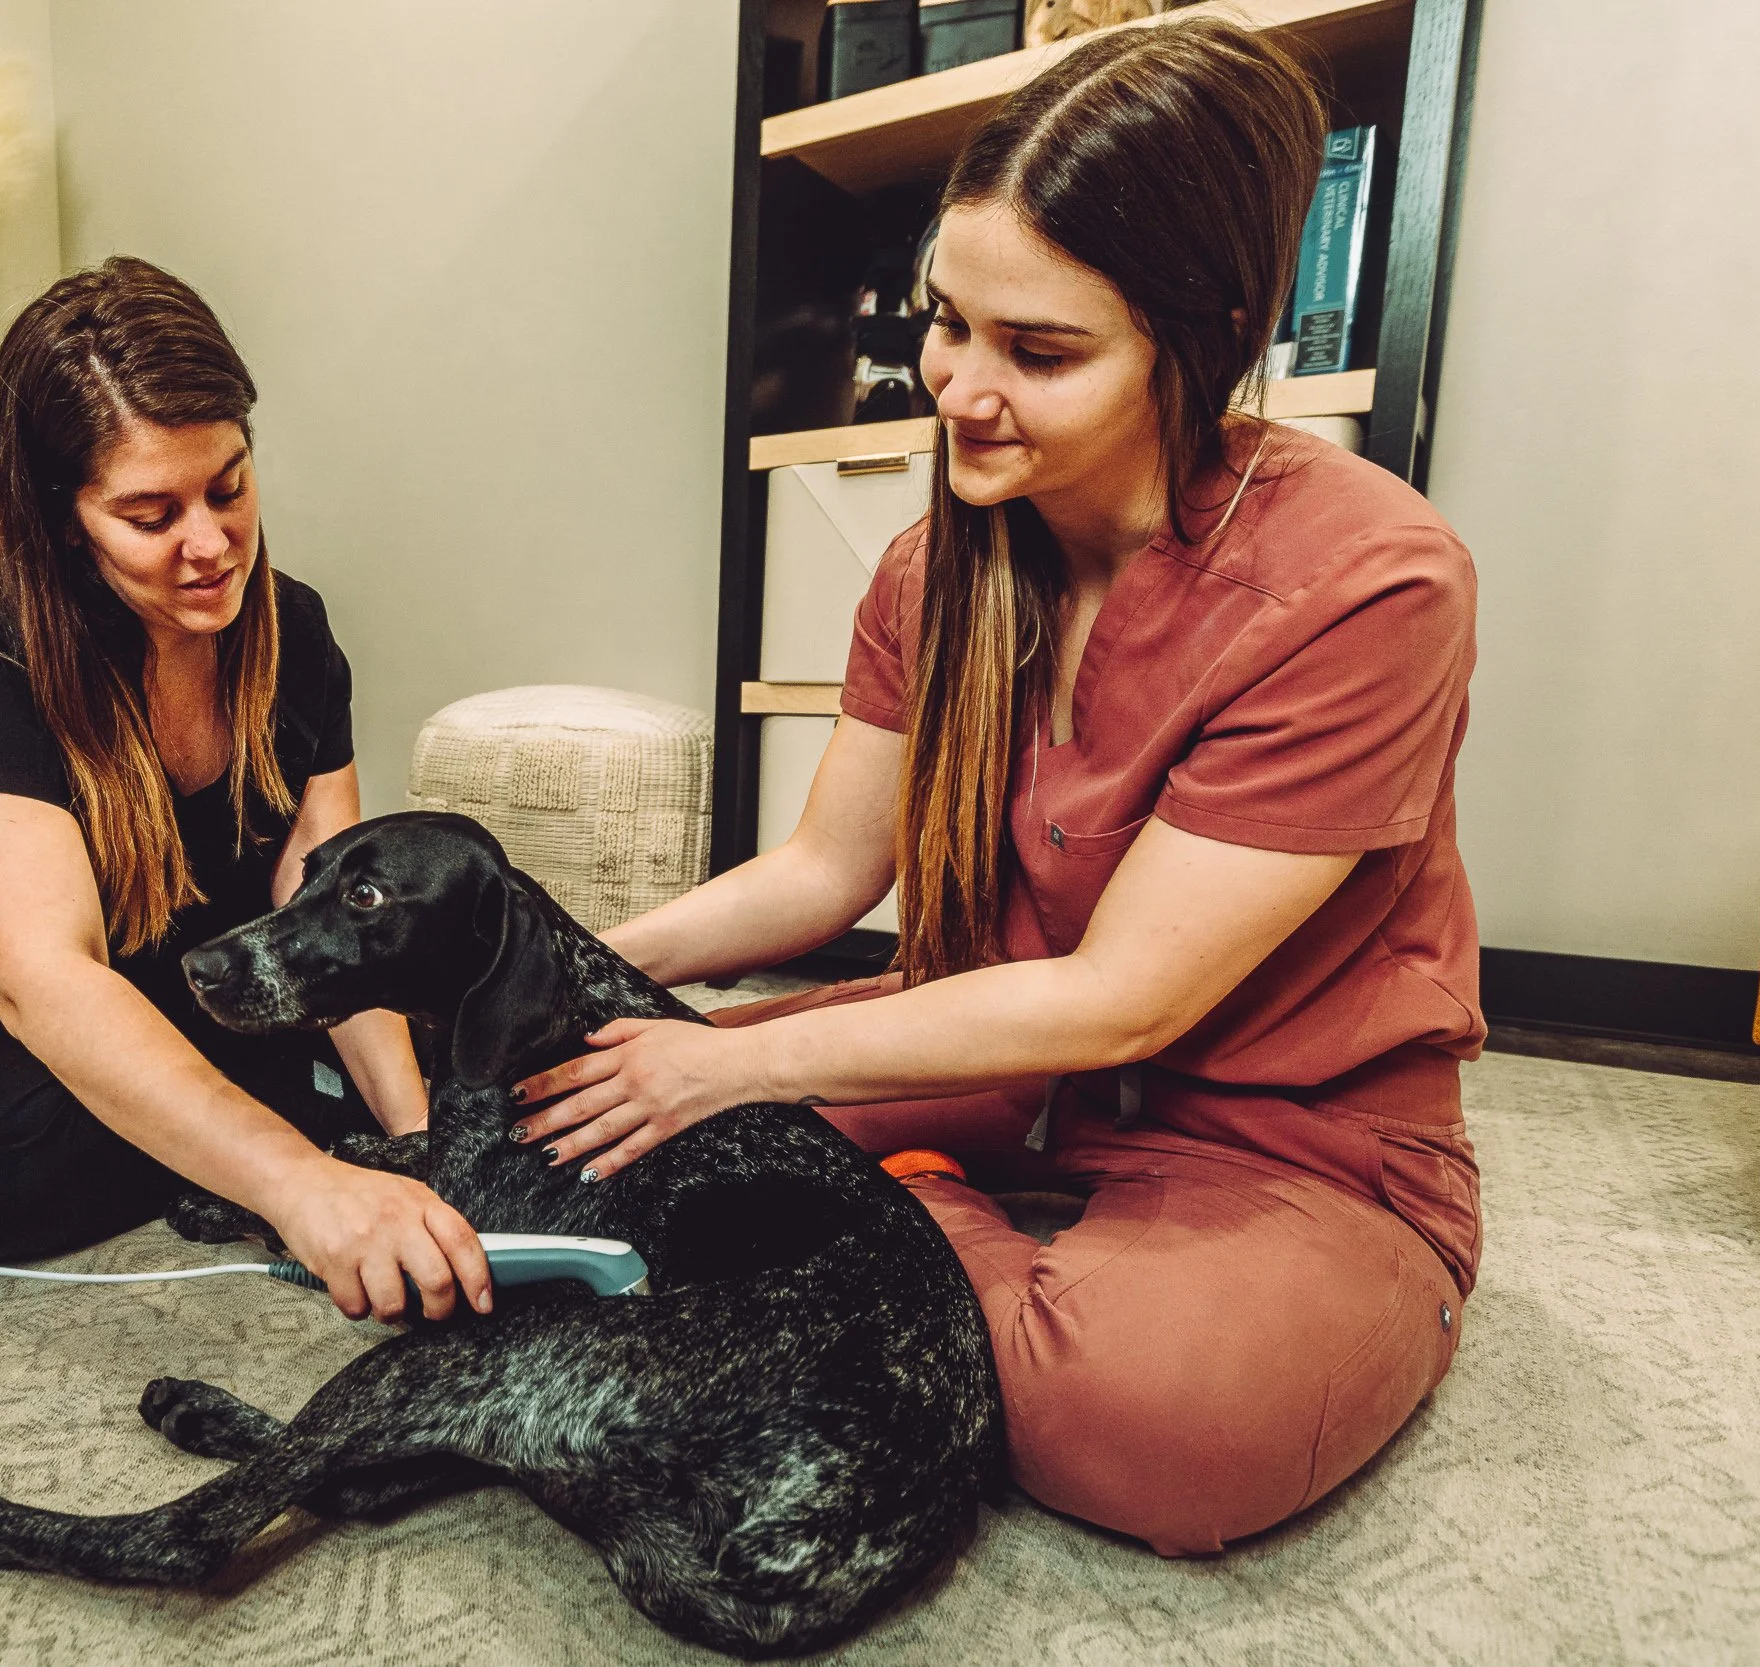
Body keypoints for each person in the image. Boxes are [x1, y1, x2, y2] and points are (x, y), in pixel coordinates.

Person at [508, 18, 1482, 1557]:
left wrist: (747, 1073)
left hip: (1291, 1137)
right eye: (947, 320)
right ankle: (906, 1220)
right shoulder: (935, 565)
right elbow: (823, 878)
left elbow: (1123, 1000)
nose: (957, 387)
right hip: (1004, 1066)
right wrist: (572, 962)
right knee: (608, 1146)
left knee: (1156, 1431)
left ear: (1202, 333)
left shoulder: (1366, 577)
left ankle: (894, 1211)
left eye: (1040, 352)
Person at [0, 257, 490, 1324]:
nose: (210, 546)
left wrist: (413, 1145)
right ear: (64, 518)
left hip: (242, 971)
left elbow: (329, 907)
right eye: (151, 515)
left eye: (230, 488)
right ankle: (255, 1125)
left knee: (478, 988)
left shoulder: (294, 630)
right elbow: (43, 984)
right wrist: (302, 1185)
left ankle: (249, 1117)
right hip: (47, 1011)